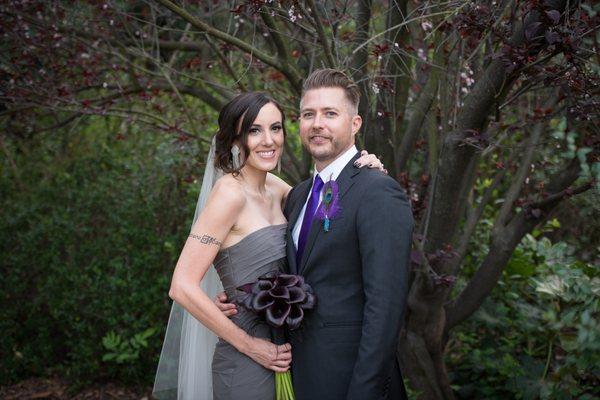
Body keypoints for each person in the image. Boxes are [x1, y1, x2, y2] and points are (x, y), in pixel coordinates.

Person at [152, 91, 385, 400]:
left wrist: (365, 170)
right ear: (235, 140)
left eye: (275, 128)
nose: (268, 140)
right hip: (246, 358)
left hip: (286, 353)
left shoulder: (278, 189)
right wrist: (251, 347)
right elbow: (181, 286)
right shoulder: (229, 195)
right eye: (254, 130)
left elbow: (331, 215)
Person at [217, 69, 414, 400]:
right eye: (309, 114)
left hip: (352, 381)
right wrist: (239, 298)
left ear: (355, 124)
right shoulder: (298, 195)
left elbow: (386, 308)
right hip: (298, 375)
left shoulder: (377, 191)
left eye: (330, 114)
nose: (317, 123)